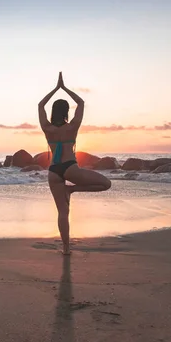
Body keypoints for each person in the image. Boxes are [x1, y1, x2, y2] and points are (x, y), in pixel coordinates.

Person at [38, 72, 111, 255]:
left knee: (63, 212)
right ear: (66, 112)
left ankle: (66, 249)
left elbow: (40, 105)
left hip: (53, 171)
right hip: (70, 168)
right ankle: (73, 189)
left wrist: (55, 89)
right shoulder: (72, 127)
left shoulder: (47, 128)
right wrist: (64, 88)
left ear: (54, 112)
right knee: (106, 184)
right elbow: (81, 103)